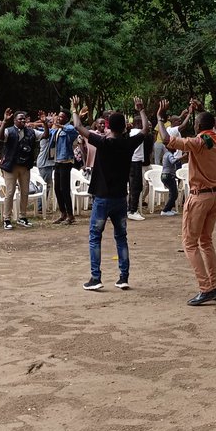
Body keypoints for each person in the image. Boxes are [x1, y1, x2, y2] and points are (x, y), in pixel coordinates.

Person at [157, 98, 216, 306]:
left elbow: (166, 140)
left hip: (199, 197)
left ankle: (206, 288)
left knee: (190, 243)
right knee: (206, 241)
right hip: (215, 195)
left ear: (198, 126)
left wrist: (160, 119)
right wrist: (202, 111)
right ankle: (214, 286)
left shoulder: (197, 143)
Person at [72, 96, 147, 291]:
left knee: (95, 236)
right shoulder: (128, 143)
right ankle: (123, 277)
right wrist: (141, 110)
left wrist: (74, 109)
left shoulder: (102, 142)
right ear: (124, 127)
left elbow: (78, 127)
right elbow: (146, 130)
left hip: (102, 197)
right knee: (121, 237)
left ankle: (96, 278)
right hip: (120, 198)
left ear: (107, 126)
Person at [0, 108, 40, 230]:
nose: (22, 120)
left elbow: (45, 135)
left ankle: (22, 217)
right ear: (14, 120)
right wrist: (5, 121)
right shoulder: (8, 131)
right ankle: (6, 219)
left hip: (25, 166)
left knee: (25, 192)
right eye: (19, 118)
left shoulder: (31, 132)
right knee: (10, 193)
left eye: (23, 118)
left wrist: (45, 123)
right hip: (11, 166)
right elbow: (0, 137)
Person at [51, 108, 80, 224]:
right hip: (57, 161)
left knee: (65, 189)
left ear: (67, 119)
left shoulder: (69, 128)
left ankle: (70, 215)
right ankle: (62, 213)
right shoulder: (58, 130)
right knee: (57, 188)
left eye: (61, 116)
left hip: (66, 161)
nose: (59, 117)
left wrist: (59, 125)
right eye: (58, 115)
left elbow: (73, 131)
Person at [126, 112, 149, 221]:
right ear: (139, 123)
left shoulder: (131, 132)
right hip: (135, 162)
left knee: (133, 186)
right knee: (136, 187)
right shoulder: (137, 131)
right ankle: (132, 210)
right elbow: (146, 129)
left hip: (133, 161)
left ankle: (130, 209)